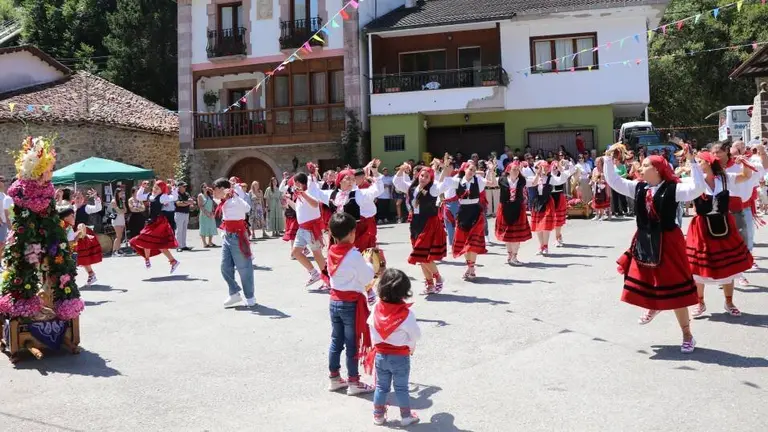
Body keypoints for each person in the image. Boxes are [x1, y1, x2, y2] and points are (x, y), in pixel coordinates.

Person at [603, 145, 704, 353]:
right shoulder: (639, 187)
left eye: (646, 165)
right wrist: (607, 160)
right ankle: (654, 305)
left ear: (657, 169)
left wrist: (693, 162)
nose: (641, 167)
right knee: (648, 279)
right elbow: (614, 182)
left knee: (676, 289)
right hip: (645, 240)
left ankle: (687, 335)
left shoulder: (673, 188)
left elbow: (698, 188)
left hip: (668, 242)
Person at [686, 150, 754, 318]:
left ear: (708, 163)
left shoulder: (724, 178)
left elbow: (745, 176)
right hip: (701, 228)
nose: (696, 164)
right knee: (699, 268)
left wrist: (744, 162)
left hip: (724, 225)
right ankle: (700, 302)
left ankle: (729, 302)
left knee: (728, 264)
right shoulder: (695, 180)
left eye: (700, 161)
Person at [326, 212, 376, 396]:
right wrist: (369, 263)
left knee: (336, 341)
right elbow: (367, 277)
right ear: (352, 233)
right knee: (352, 343)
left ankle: (334, 377)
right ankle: (354, 381)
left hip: (334, 301)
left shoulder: (331, 250)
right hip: (351, 304)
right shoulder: (354, 255)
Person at [367, 268, 421, 427]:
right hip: (400, 357)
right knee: (401, 388)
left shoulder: (376, 308)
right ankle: (406, 416)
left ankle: (378, 416)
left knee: (381, 387)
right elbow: (416, 336)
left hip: (381, 355)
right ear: (405, 292)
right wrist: (411, 346)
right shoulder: (406, 314)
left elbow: (371, 328)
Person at [393, 160, 447, 295]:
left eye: (426, 177)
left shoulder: (433, 189)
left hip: (428, 222)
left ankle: (438, 277)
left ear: (430, 179)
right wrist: (401, 169)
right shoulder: (412, 187)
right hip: (415, 223)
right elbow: (397, 182)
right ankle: (430, 285)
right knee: (421, 257)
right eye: (422, 175)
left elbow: (444, 184)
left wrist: (445, 168)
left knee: (420, 254)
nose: (423, 178)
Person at [316, 161, 384, 251]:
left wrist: (375, 172)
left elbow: (377, 190)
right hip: (338, 233)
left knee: (358, 257)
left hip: (356, 232)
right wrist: (313, 175)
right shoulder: (331, 194)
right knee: (339, 260)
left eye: (353, 179)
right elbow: (314, 192)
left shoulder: (359, 194)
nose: (351, 182)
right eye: (347, 179)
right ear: (339, 180)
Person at [440, 160, 487, 280]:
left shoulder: (479, 181)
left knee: (473, 242)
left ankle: (471, 269)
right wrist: (445, 169)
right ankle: (470, 267)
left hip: (475, 211)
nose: (472, 172)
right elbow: (441, 184)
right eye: (470, 169)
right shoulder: (457, 181)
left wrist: (491, 170)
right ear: (464, 169)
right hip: (463, 212)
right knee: (466, 242)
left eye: (474, 170)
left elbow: (491, 182)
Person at [213, 178, 256, 308]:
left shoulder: (235, 200)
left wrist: (235, 193)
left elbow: (247, 208)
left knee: (244, 268)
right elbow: (216, 199)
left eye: (215, 189)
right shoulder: (223, 201)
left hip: (238, 235)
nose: (214, 192)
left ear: (222, 189)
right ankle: (234, 293)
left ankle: (250, 297)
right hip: (227, 235)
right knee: (225, 267)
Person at [129, 180, 180, 272]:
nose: (155, 190)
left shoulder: (162, 197)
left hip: (159, 222)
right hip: (152, 222)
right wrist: (142, 187)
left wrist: (173, 187)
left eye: (158, 189)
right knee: (148, 240)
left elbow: (174, 197)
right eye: (155, 187)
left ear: (162, 190)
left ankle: (170, 261)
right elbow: (139, 197)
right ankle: (172, 261)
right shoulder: (149, 195)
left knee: (151, 240)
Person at [288, 172, 328, 288]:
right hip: (302, 229)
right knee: (296, 252)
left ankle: (327, 279)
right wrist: (289, 201)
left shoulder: (309, 192)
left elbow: (315, 204)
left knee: (317, 255)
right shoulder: (299, 195)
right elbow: (299, 210)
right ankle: (314, 273)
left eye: (294, 183)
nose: (293, 185)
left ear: (298, 183)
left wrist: (302, 193)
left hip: (311, 228)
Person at [528, 160, 570, 254]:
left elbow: (561, 180)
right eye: (543, 167)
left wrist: (561, 169)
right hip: (537, 202)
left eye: (547, 168)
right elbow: (531, 183)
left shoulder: (551, 178)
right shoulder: (533, 177)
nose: (545, 170)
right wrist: (537, 174)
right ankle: (541, 246)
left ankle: (545, 246)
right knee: (538, 226)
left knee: (546, 225)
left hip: (547, 202)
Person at [495, 161, 533, 265]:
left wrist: (538, 173)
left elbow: (534, 182)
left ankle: (515, 257)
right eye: (514, 169)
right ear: (508, 170)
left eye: (517, 169)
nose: (516, 171)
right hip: (505, 208)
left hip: (517, 208)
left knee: (517, 235)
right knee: (507, 234)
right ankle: (509, 255)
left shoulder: (522, 180)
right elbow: (491, 181)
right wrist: (490, 170)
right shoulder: (502, 179)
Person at [73, 189, 104, 285]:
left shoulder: (86, 208)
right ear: (73, 198)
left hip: (82, 233)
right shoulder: (71, 207)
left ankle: (90, 274)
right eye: (77, 197)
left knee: (81, 256)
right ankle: (90, 274)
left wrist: (96, 197)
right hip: (71, 234)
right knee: (77, 256)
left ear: (83, 199)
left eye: (80, 198)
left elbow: (98, 208)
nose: (78, 199)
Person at [174, 182, 194, 252]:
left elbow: (191, 201)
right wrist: (187, 202)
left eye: (185, 186)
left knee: (184, 230)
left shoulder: (187, 194)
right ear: (179, 187)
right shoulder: (176, 194)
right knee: (179, 230)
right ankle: (178, 246)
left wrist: (185, 202)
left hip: (186, 213)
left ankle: (183, 245)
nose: (185, 188)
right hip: (179, 213)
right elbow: (178, 204)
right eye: (184, 186)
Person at [110, 187, 127, 256]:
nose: (122, 194)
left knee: (120, 236)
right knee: (118, 236)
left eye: (122, 193)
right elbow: (118, 211)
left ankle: (118, 249)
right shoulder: (113, 201)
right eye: (120, 193)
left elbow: (125, 210)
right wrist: (122, 211)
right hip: (116, 220)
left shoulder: (121, 200)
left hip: (122, 219)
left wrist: (122, 209)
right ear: (117, 193)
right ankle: (114, 251)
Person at [0, 176, 11, 265]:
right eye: (1, 181)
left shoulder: (4, 195)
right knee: (1, 244)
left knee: (3, 244)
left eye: (4, 181)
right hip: (1, 222)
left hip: (5, 222)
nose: (3, 183)